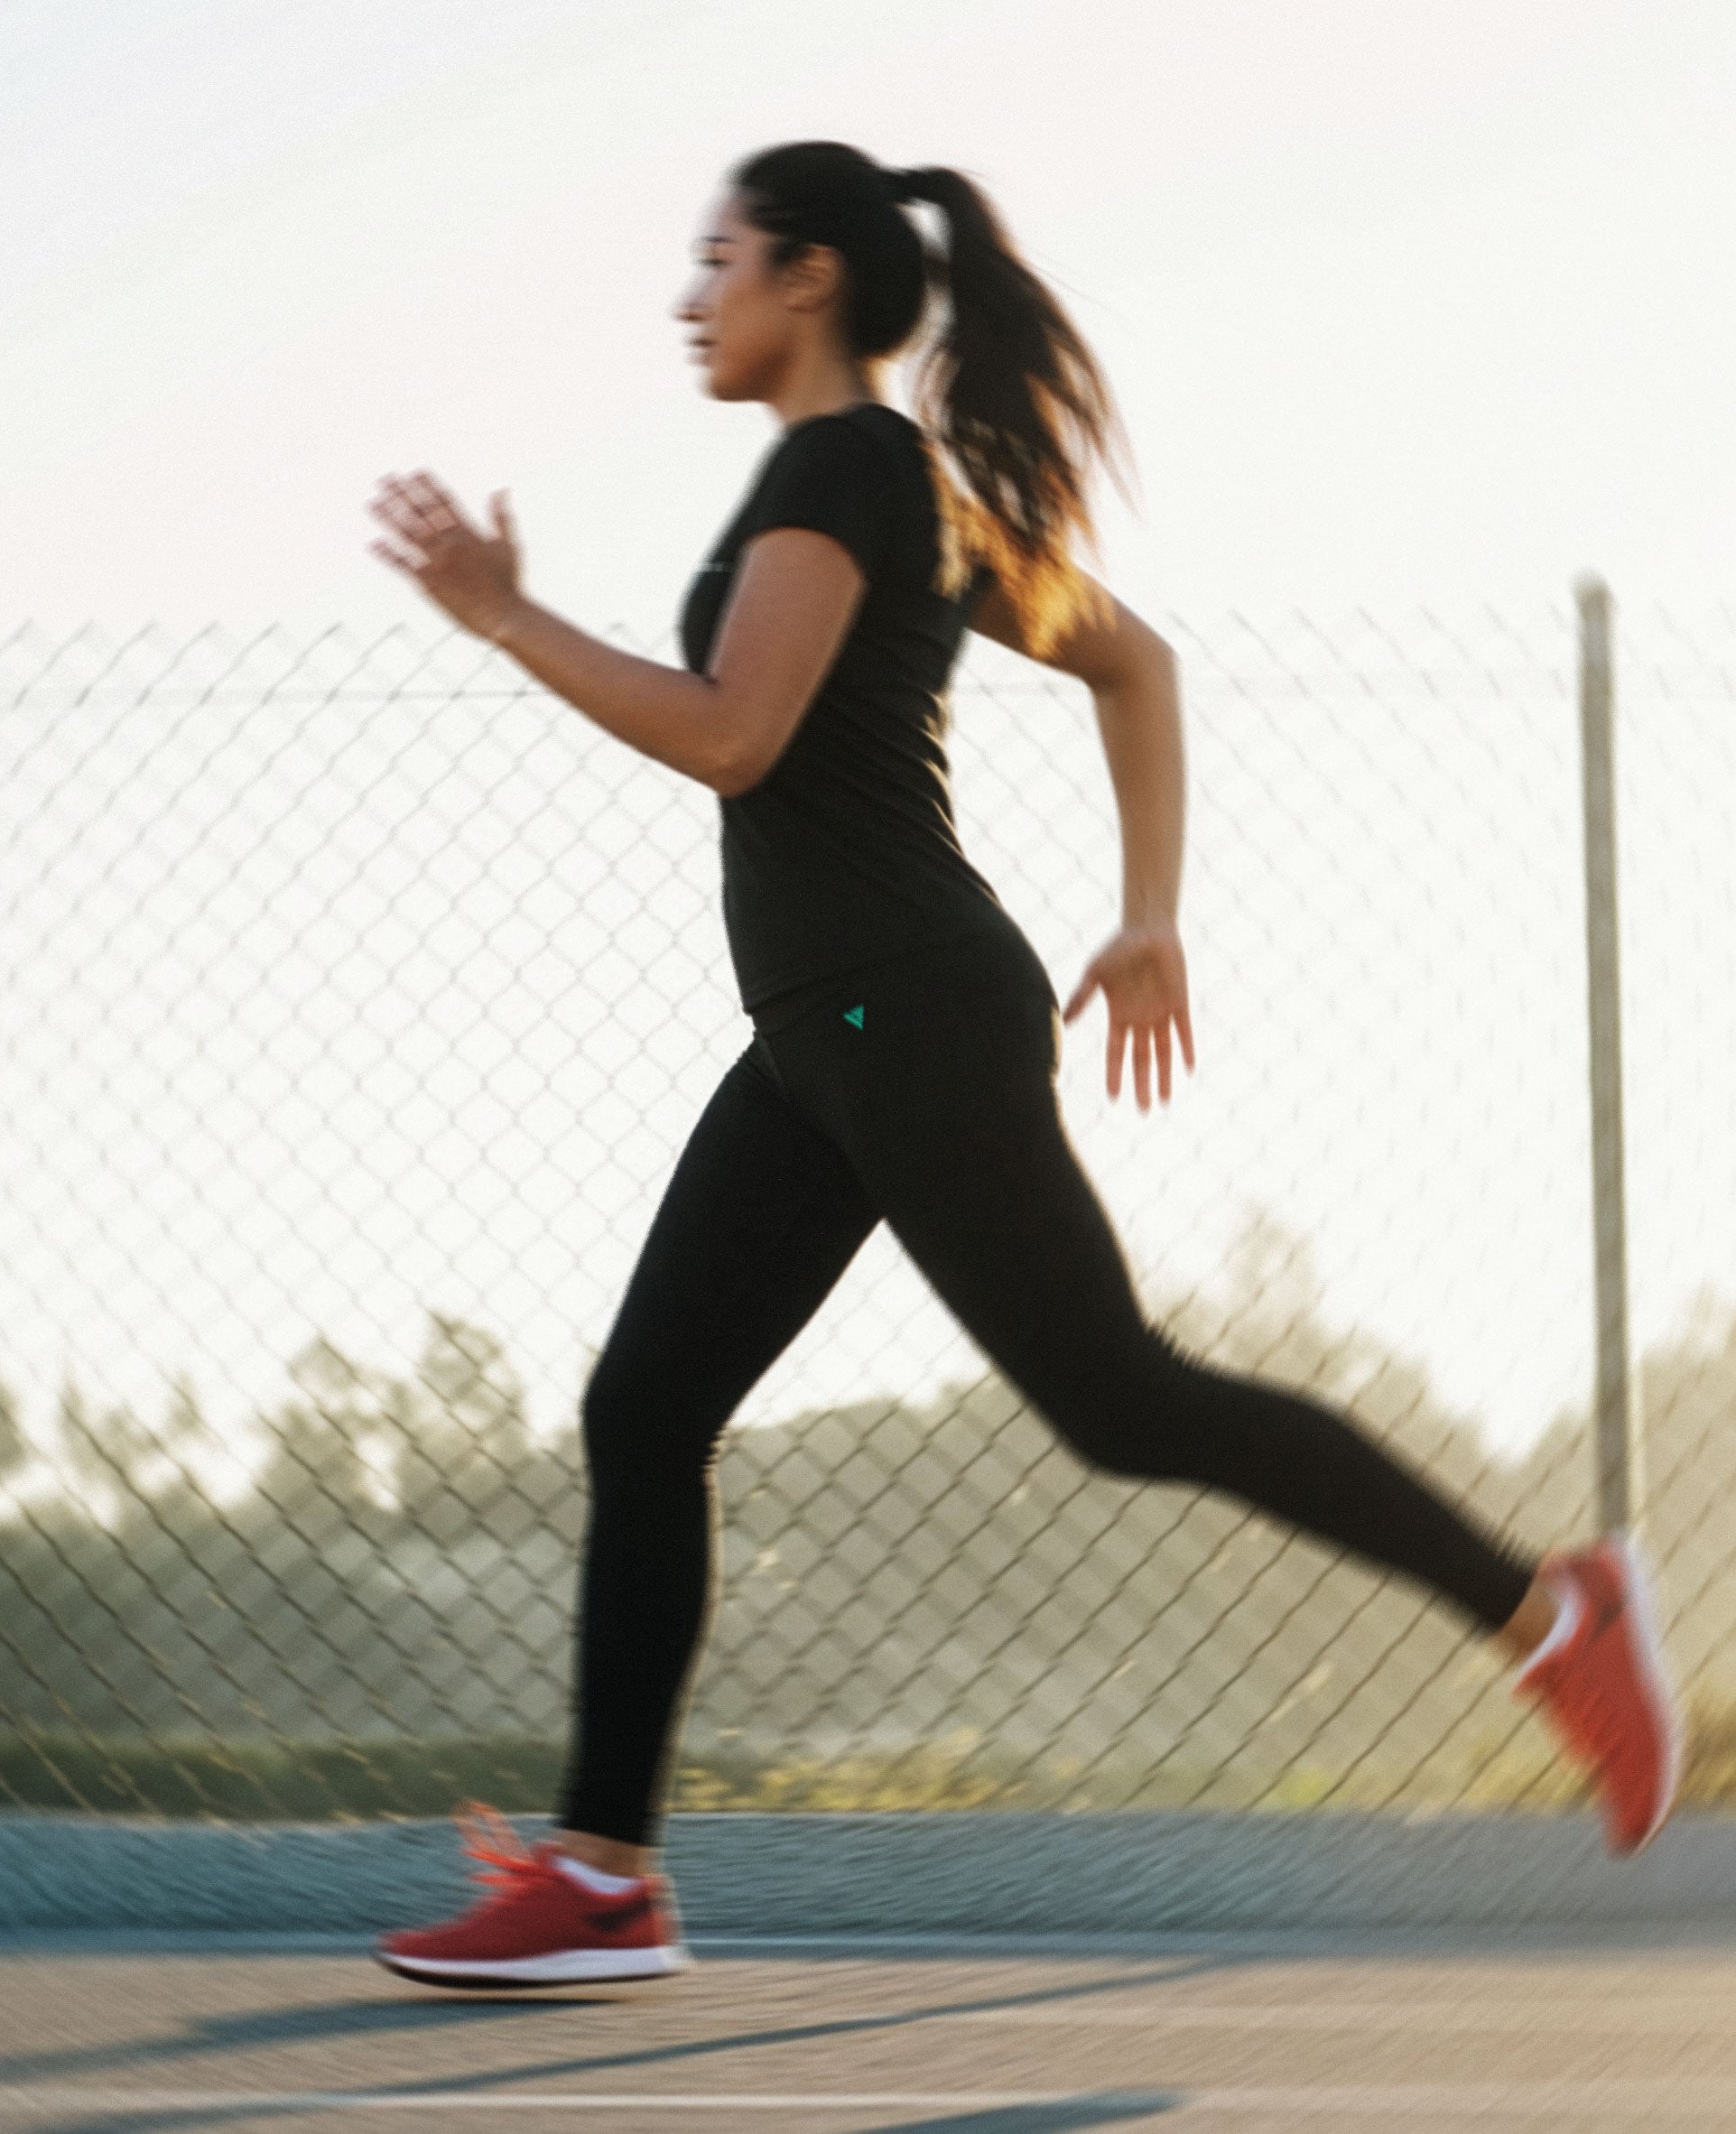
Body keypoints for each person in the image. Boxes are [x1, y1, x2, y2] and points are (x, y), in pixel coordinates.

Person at [362, 139, 1684, 1990]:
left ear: (810, 276)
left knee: (1121, 1401)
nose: (692, 294)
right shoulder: (898, 488)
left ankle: (1555, 1615)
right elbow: (1136, 666)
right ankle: (604, 1876)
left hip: (902, 1010)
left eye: (718, 256)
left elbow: (740, 737)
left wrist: (505, 614)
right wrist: (1146, 912)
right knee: (648, 1407)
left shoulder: (847, 468)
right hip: (827, 1036)